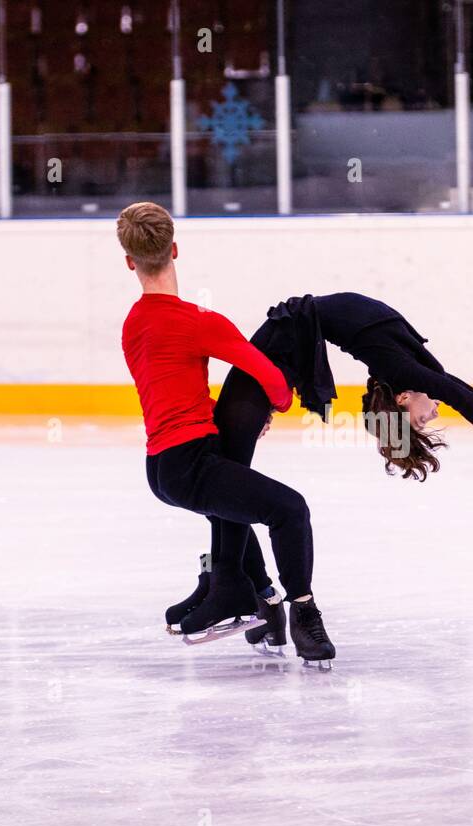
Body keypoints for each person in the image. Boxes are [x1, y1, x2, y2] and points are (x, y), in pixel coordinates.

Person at [171, 292, 473, 646]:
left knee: (228, 471)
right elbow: (465, 397)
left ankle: (252, 594)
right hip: (285, 338)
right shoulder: (408, 372)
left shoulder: (405, 373)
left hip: (286, 342)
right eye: (422, 424)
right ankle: (232, 585)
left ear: (402, 399)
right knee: (226, 470)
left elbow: (461, 395)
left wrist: (268, 399)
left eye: (418, 422)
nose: (431, 417)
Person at [117, 202, 336, 663]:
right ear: (175, 250)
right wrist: (276, 405)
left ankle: (252, 595)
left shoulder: (133, 324)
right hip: (194, 462)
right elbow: (271, 376)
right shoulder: (199, 321)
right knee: (289, 511)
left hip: (161, 468)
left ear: (130, 262)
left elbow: (169, 390)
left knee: (232, 504)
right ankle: (303, 612)